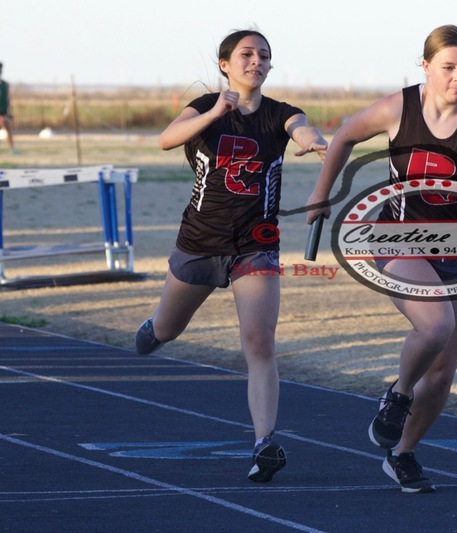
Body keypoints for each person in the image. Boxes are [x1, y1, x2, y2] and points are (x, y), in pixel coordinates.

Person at [305, 25, 457, 493]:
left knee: (445, 368)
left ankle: (402, 454)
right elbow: (343, 136)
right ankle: (398, 395)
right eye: (448, 67)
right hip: (395, 237)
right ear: (425, 66)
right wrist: (321, 196)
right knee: (435, 326)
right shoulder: (399, 107)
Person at [134, 29, 327, 483]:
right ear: (225, 64)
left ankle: (264, 443)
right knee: (167, 328)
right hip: (200, 242)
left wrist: (315, 140)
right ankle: (156, 327)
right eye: (246, 54)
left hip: (255, 245)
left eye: (263, 56)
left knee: (259, 342)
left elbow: (302, 126)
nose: (255, 61)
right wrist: (217, 109)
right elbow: (166, 139)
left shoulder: (280, 113)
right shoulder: (205, 108)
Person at [0, 63, 19, 155]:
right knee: (5, 123)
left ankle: (12, 149)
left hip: (3, 112)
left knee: (8, 127)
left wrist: (9, 112)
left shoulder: (5, 85)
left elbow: (7, 99)